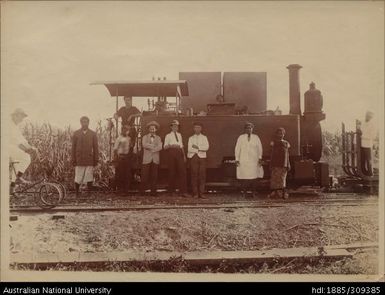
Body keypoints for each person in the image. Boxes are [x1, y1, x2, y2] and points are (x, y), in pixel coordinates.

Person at [72, 116, 99, 197]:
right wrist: (73, 159)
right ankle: (77, 193)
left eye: (86, 122)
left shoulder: (93, 134)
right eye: (83, 122)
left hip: (89, 159)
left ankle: (89, 193)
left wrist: (96, 159)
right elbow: (73, 147)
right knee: (78, 177)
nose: (85, 124)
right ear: (81, 123)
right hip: (79, 159)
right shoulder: (76, 133)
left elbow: (95, 148)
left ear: (88, 123)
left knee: (89, 176)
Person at [234, 122, 263, 197]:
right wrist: (237, 159)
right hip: (243, 160)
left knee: (254, 177)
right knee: (244, 177)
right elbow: (237, 148)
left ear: (252, 129)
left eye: (250, 128)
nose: (249, 129)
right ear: (245, 129)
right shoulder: (241, 137)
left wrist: (260, 158)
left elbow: (259, 148)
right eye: (247, 128)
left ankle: (253, 192)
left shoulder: (256, 137)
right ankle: (244, 193)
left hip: (254, 160)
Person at [9, 108, 37, 184]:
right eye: (21, 117)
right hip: (7, 149)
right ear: (16, 116)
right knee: (26, 158)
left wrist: (30, 147)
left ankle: (12, 187)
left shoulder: (14, 126)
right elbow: (18, 142)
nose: (22, 119)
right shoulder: (10, 126)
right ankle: (18, 178)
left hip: (11, 148)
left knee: (16, 165)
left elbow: (22, 139)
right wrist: (29, 149)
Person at [164, 120, 188, 197]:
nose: (175, 127)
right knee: (172, 172)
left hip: (179, 153)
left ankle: (183, 192)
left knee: (182, 172)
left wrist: (184, 156)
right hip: (171, 153)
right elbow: (165, 147)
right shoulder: (168, 135)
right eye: (174, 126)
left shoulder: (179, 135)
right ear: (171, 127)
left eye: (177, 126)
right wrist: (172, 146)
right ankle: (171, 192)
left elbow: (181, 146)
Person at [140, 121, 162, 196]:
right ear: (148, 129)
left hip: (155, 159)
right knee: (144, 175)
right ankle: (142, 192)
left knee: (154, 176)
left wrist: (152, 148)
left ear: (155, 130)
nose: (152, 130)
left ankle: (153, 192)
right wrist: (154, 146)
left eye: (153, 129)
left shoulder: (158, 138)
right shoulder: (145, 137)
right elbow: (144, 145)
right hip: (146, 159)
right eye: (151, 129)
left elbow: (160, 147)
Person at [187, 122, 209, 198]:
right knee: (194, 175)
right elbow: (189, 149)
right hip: (193, 157)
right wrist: (199, 149)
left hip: (202, 158)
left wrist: (197, 147)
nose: (197, 129)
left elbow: (206, 148)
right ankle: (195, 193)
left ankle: (201, 193)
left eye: (199, 127)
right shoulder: (191, 138)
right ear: (193, 129)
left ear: (201, 129)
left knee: (202, 175)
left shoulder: (204, 137)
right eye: (196, 127)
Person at [268, 128, 290, 199]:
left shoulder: (286, 143)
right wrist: (271, 164)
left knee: (282, 179)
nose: (280, 135)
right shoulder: (273, 143)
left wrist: (288, 164)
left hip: (283, 164)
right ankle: (275, 193)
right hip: (275, 164)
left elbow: (287, 154)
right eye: (279, 133)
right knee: (274, 179)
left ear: (284, 134)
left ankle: (282, 194)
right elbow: (272, 154)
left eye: (282, 133)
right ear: (276, 134)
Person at [113, 126, 131, 194]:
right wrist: (116, 159)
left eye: (127, 130)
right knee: (120, 174)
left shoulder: (129, 138)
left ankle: (126, 190)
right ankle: (119, 190)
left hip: (127, 157)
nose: (126, 132)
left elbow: (130, 147)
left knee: (127, 174)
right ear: (122, 130)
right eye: (124, 130)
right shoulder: (119, 138)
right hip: (120, 157)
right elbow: (115, 149)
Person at [357, 111, 376, 176]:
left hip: (368, 145)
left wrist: (363, 136)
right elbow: (359, 132)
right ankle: (364, 173)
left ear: (371, 117)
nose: (367, 117)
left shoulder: (372, 125)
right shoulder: (363, 123)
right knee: (362, 160)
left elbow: (373, 136)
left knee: (369, 160)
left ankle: (370, 174)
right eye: (366, 115)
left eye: (368, 116)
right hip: (361, 144)